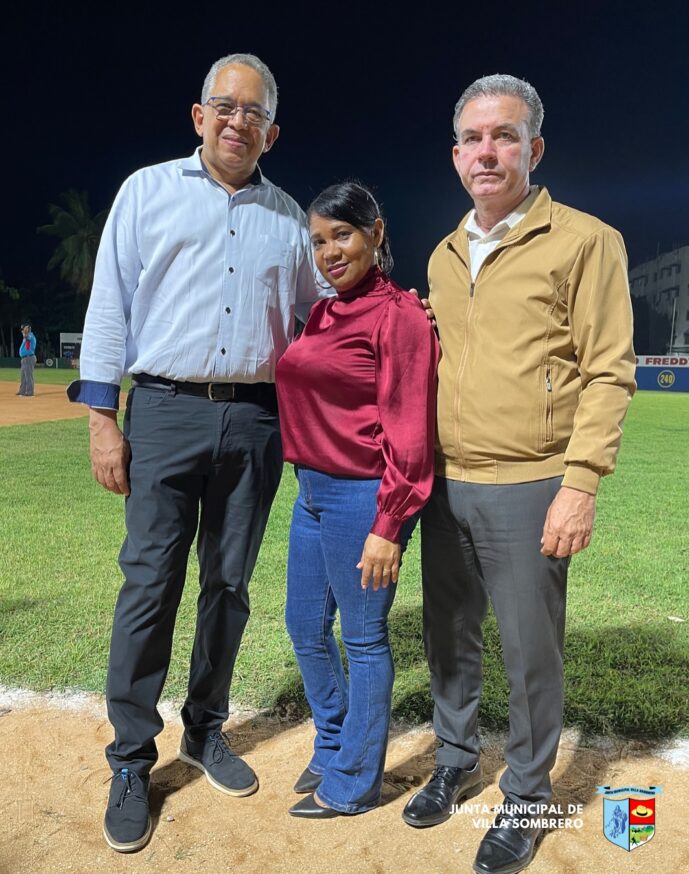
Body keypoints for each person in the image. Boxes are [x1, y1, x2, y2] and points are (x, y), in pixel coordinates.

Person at [67, 53, 320, 853]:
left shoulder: (290, 219)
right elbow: (110, 304)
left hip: (255, 420)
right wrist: (102, 420)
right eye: (226, 106)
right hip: (164, 411)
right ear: (199, 115)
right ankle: (130, 759)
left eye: (255, 112)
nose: (238, 121)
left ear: (272, 132)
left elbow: (319, 320)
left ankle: (205, 730)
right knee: (149, 582)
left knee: (229, 584)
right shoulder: (146, 192)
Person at [400, 75, 635, 874]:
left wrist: (581, 482)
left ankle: (528, 796)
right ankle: (456, 759)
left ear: (534, 149)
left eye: (504, 136)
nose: (487, 152)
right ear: (455, 155)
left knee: (531, 656)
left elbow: (609, 371)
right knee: (449, 638)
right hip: (447, 483)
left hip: (533, 482)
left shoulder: (585, 240)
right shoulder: (443, 254)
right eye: (473, 138)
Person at [275, 182, 440, 818]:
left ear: (376, 232)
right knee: (303, 624)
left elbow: (410, 430)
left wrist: (389, 524)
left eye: (341, 235)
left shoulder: (399, 315)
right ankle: (334, 742)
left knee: (364, 639)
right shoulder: (322, 313)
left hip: (365, 496)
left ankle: (355, 779)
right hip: (311, 492)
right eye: (318, 241)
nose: (329, 252)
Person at [17, 324, 36, 396]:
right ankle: (22, 391)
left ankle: (30, 392)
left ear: (28, 329)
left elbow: (28, 337)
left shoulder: (31, 336)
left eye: (23, 329)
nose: (22, 331)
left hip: (29, 358)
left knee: (28, 376)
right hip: (24, 358)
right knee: (23, 376)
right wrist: (24, 332)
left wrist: (25, 332)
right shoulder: (25, 338)